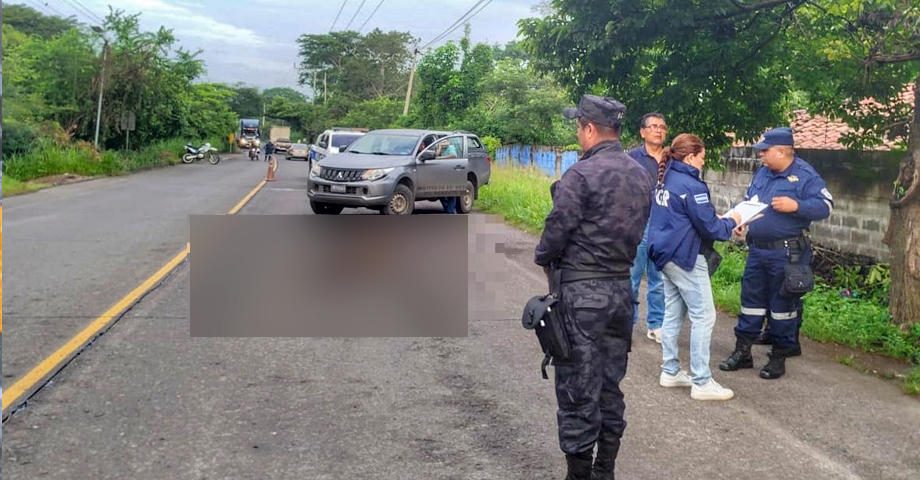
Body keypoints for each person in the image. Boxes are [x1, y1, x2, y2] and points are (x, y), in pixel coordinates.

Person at [534, 95, 651, 480]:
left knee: (577, 388)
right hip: (621, 293)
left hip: (582, 297)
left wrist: (544, 255)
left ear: (587, 128)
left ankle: (579, 474)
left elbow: (555, 233)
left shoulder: (579, 176)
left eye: (577, 126)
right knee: (609, 384)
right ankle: (606, 470)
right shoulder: (640, 175)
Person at [719, 127, 833, 380]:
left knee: (783, 307)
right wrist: (742, 222)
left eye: (765, 151)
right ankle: (743, 352)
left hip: (786, 253)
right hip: (758, 250)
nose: (761, 156)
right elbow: (750, 202)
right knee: (750, 303)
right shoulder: (762, 173)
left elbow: (826, 206)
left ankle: (779, 356)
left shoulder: (805, 176)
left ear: (782, 152)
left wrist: (797, 206)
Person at [647, 134, 741, 401]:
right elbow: (711, 228)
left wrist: (721, 221)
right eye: (702, 156)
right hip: (685, 257)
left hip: (664, 254)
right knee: (704, 316)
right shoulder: (691, 184)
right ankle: (701, 381)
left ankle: (671, 370)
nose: (704, 161)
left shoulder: (666, 179)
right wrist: (733, 220)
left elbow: (692, 218)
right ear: (690, 157)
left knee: (673, 313)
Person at [627, 113, 669, 344]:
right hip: (639, 225)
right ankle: (627, 322)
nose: (658, 130)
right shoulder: (632, 158)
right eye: (653, 126)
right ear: (643, 132)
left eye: (662, 127)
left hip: (664, 227)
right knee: (631, 277)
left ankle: (656, 324)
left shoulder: (672, 158)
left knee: (658, 279)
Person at [435, 139, 460, 214]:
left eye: (445, 142)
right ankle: (450, 211)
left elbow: (454, 155)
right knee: (441, 194)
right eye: (442, 142)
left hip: (451, 172)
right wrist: (439, 148)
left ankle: (451, 212)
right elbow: (436, 155)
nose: (443, 143)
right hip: (443, 174)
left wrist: (442, 158)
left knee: (451, 194)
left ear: (448, 142)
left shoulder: (450, 147)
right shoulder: (441, 149)